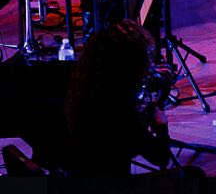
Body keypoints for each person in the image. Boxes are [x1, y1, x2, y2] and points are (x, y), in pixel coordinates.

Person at [62, 19, 175, 175]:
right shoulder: (121, 112)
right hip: (111, 183)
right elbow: (160, 158)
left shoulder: (81, 88)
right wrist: (161, 125)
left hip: (74, 176)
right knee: (194, 175)